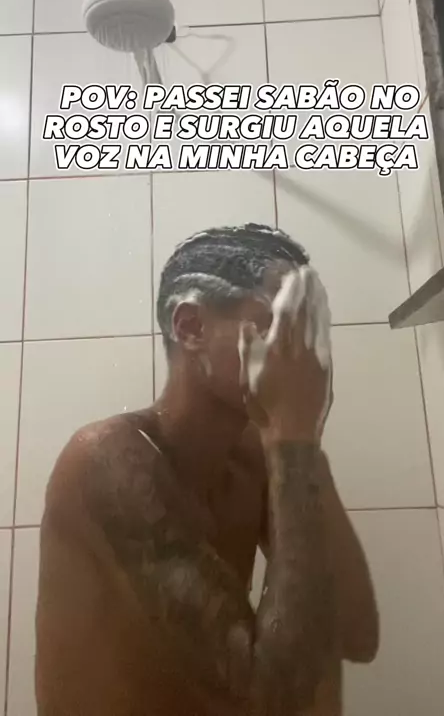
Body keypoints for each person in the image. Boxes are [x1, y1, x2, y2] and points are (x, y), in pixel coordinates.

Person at [36, 223, 379, 716]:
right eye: (282, 324)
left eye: (310, 332)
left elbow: (356, 634)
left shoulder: (261, 456)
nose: (306, 356)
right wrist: (293, 438)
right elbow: (269, 696)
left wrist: (303, 439)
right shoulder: (106, 460)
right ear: (191, 327)